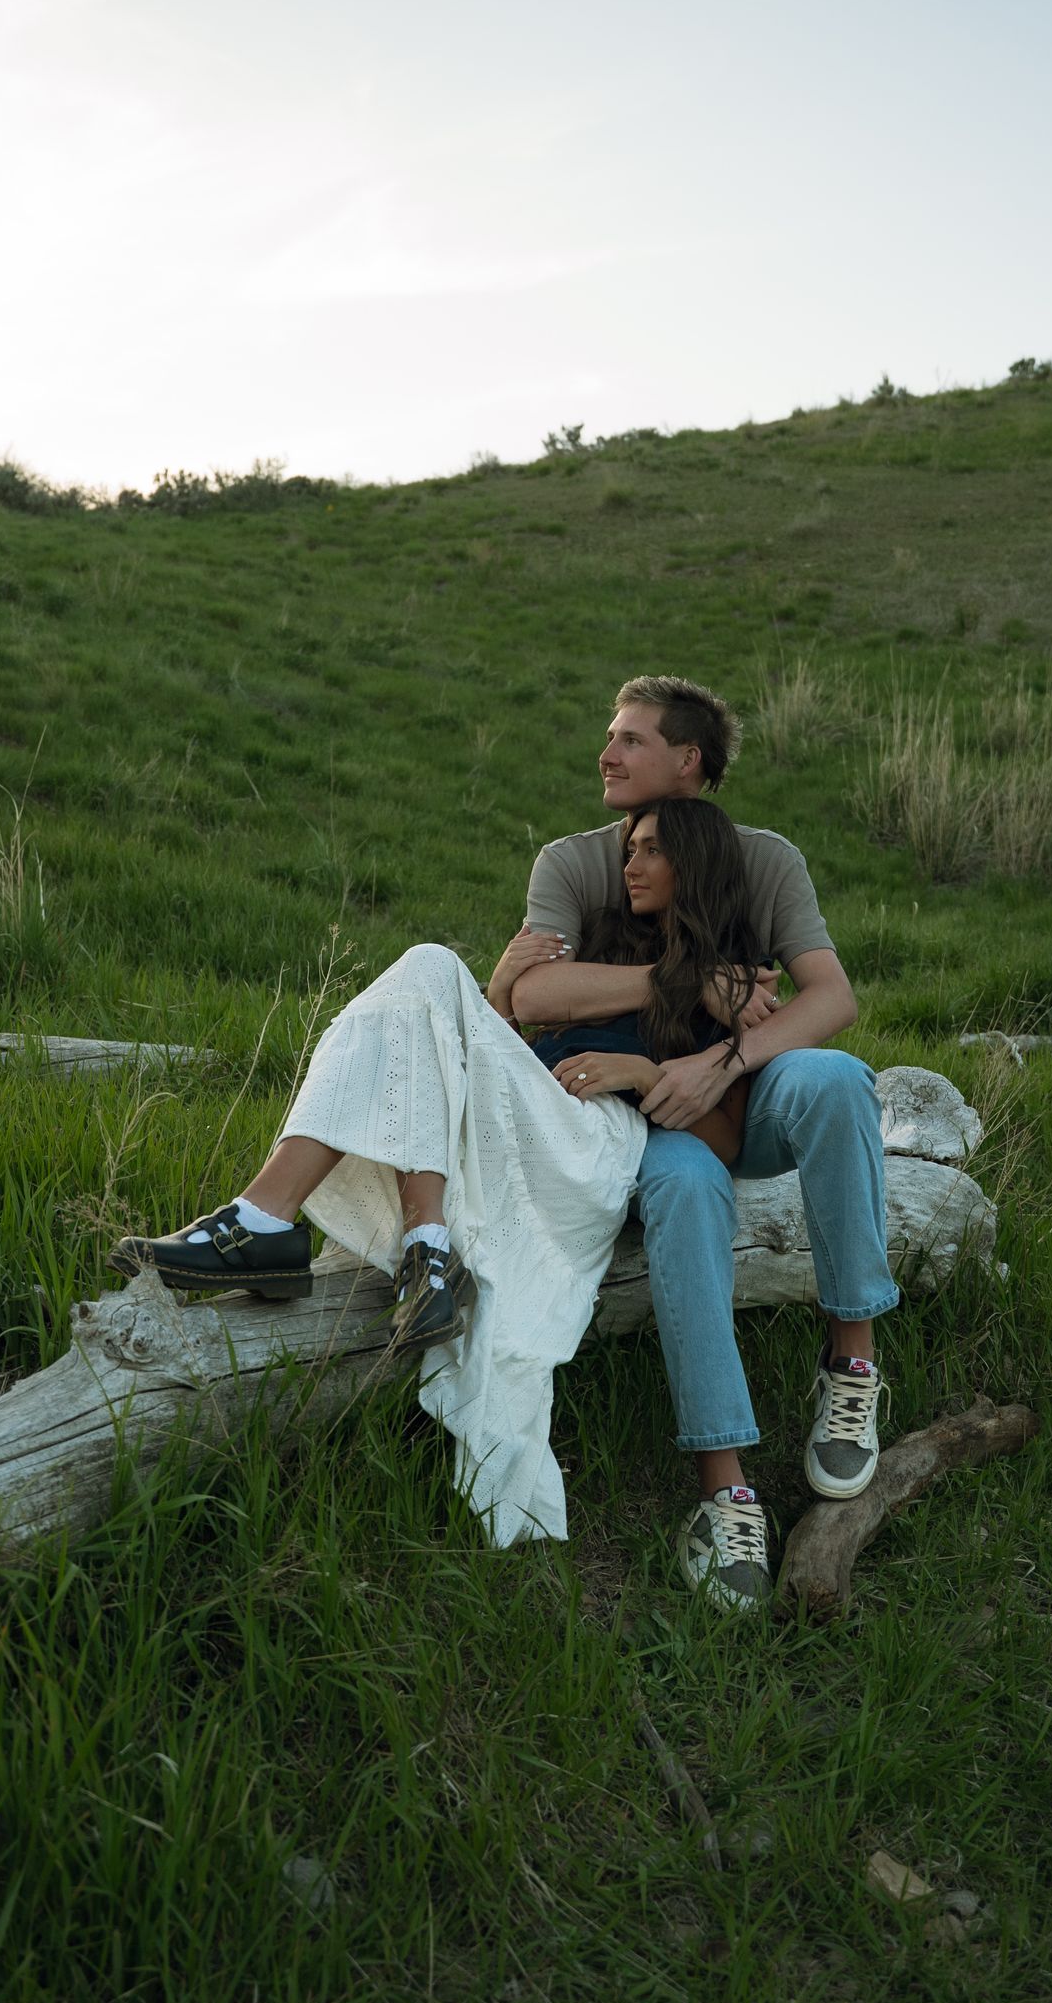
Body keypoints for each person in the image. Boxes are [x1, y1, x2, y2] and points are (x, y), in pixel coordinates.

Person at [108, 792, 771, 1562]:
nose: (631, 863)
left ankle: (279, 1225)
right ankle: (415, 1250)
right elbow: (522, 1010)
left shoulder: (736, 983)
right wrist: (500, 998)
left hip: (598, 1148)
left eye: (652, 850)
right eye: (629, 848)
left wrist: (644, 1068)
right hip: (526, 1120)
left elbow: (725, 1135)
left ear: (695, 864)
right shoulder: (614, 940)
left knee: (427, 966)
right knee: (426, 975)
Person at [505, 674, 897, 1611]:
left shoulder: (763, 860)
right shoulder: (573, 864)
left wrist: (726, 1056)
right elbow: (531, 999)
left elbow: (831, 1000)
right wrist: (679, 988)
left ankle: (852, 1362)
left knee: (839, 1077)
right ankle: (726, 1490)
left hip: (750, 1094)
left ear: (689, 763)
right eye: (611, 736)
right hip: (654, 1117)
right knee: (681, 1187)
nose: (607, 755)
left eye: (631, 740)